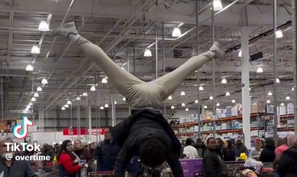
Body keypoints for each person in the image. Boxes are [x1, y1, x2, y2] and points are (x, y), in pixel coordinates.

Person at [57, 21, 223, 109]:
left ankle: (212, 53)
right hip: (138, 95)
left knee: (183, 70)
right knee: (106, 63)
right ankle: (212, 52)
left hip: (154, 96)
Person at [110, 109, 190, 177]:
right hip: (138, 114)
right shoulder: (132, 143)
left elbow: (176, 166)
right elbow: (120, 163)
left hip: (154, 115)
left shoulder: (166, 144)